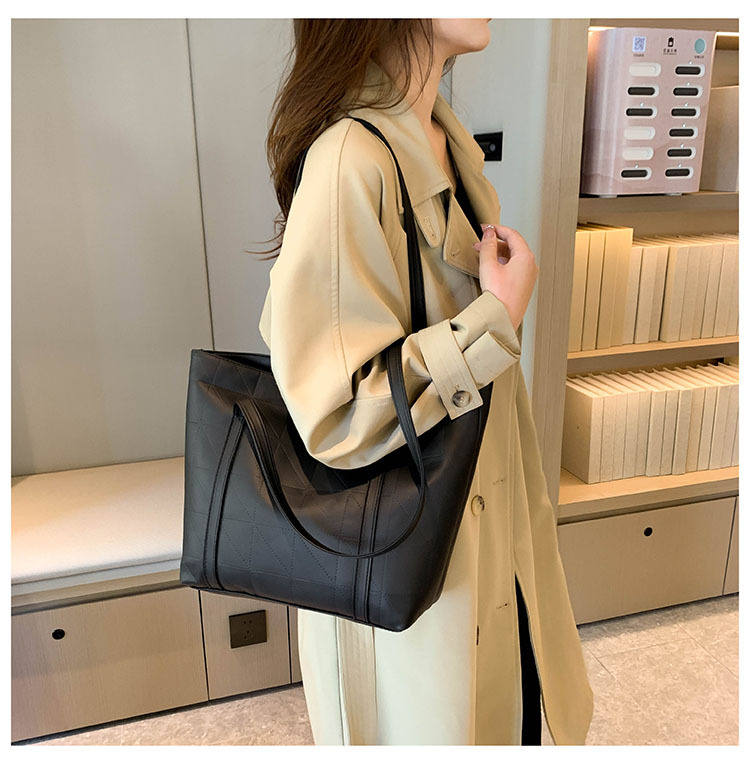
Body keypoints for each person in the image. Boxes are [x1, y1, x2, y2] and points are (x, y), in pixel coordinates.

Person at [255, 19, 594, 745]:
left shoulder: (444, 140)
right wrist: (494, 320)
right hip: (411, 558)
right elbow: (337, 413)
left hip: (483, 529)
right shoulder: (351, 159)